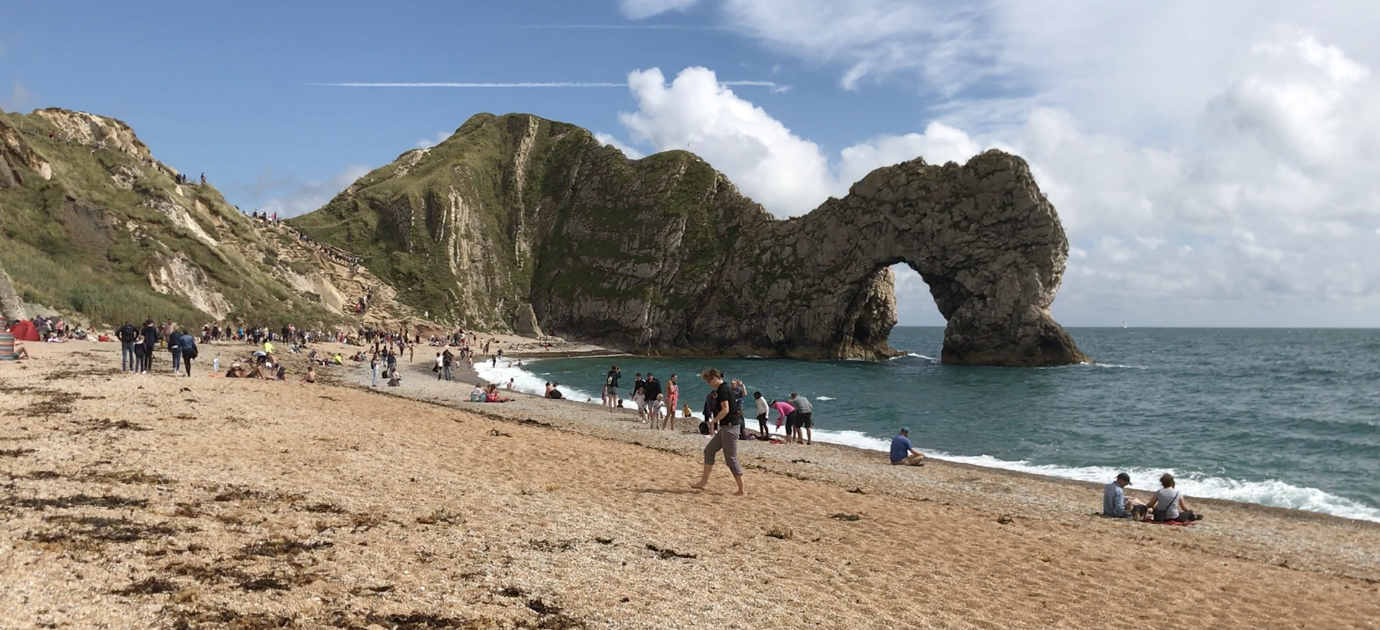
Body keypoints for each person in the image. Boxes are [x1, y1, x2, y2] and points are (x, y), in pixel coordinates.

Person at [691, 369, 746, 496]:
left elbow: (725, 410)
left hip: (731, 427)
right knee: (709, 451)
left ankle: (742, 489)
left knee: (731, 459)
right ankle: (703, 483)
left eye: (709, 381)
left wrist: (713, 422)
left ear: (715, 378)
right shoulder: (723, 389)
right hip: (726, 427)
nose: (709, 384)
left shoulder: (723, 389)